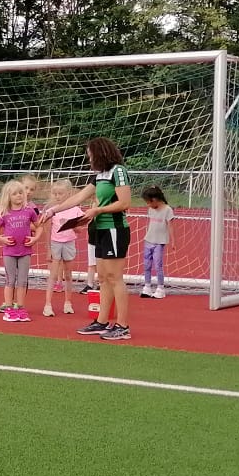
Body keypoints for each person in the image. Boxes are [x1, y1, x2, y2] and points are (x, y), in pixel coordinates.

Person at [77, 138, 134, 341]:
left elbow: (125, 203)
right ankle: (102, 321)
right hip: (100, 229)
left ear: (100, 153)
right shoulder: (100, 175)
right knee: (102, 277)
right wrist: (53, 210)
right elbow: (79, 196)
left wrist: (98, 210)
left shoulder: (118, 171)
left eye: (90, 154)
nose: (89, 158)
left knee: (114, 277)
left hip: (114, 229)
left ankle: (123, 326)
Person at [37, 179, 90, 317]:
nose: (57, 196)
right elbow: (47, 230)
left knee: (68, 274)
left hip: (69, 243)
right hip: (55, 243)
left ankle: (68, 302)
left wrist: (71, 224)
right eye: (55, 193)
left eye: (60, 193)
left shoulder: (76, 210)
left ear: (69, 193)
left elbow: (79, 229)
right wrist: (48, 249)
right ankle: (47, 305)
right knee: (53, 275)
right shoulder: (52, 210)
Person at [0, 178, 37, 322]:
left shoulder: (29, 211)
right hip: (9, 252)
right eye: (15, 194)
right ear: (8, 197)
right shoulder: (5, 213)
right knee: (10, 280)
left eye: (20, 193)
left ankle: (20, 308)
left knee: (22, 281)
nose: (19, 196)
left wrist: (35, 238)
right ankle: (9, 308)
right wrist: (2, 238)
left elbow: (39, 226)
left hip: (25, 251)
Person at [139, 185, 173, 299]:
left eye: (148, 202)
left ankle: (160, 288)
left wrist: (173, 241)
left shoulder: (167, 210)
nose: (148, 205)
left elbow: (170, 226)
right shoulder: (151, 210)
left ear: (154, 199)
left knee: (158, 265)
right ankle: (147, 286)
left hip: (159, 242)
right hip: (148, 240)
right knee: (146, 264)